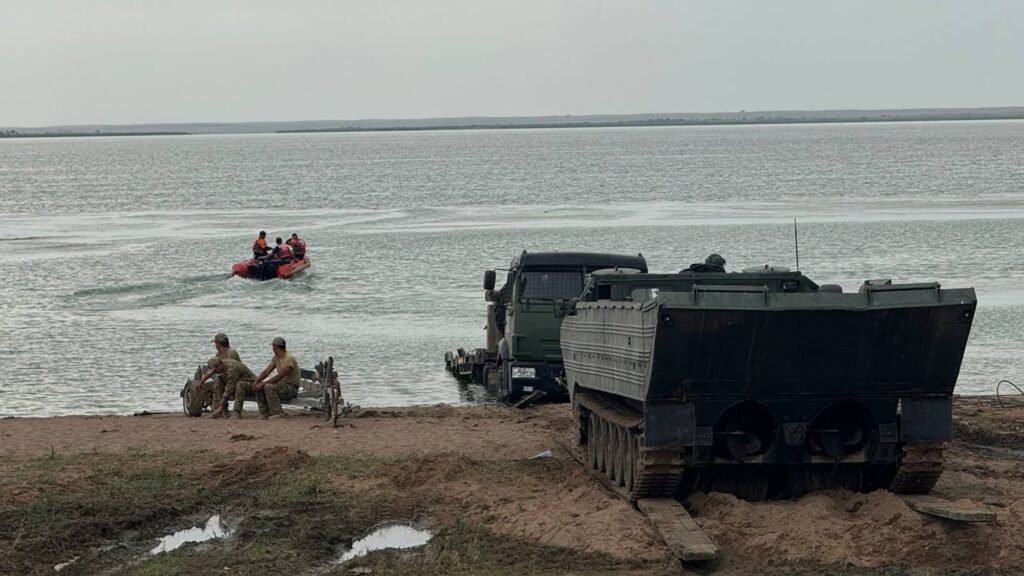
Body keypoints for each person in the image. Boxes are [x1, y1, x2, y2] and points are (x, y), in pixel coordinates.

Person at [253, 336, 300, 419]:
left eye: (273, 347)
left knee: (268, 386)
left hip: (291, 387)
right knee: (258, 386)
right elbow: (267, 371)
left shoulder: (289, 358)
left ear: (276, 348)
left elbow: (280, 376)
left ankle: (278, 412)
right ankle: (265, 412)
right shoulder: (276, 358)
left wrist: (263, 383)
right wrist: (257, 381)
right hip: (282, 385)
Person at [194, 333, 242, 413]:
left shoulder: (231, 352)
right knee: (204, 387)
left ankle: (220, 408)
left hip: (233, 381)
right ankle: (213, 406)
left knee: (217, 385)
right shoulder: (219, 354)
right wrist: (201, 381)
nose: (215, 345)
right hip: (225, 380)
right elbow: (212, 369)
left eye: (215, 343)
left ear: (219, 344)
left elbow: (232, 371)